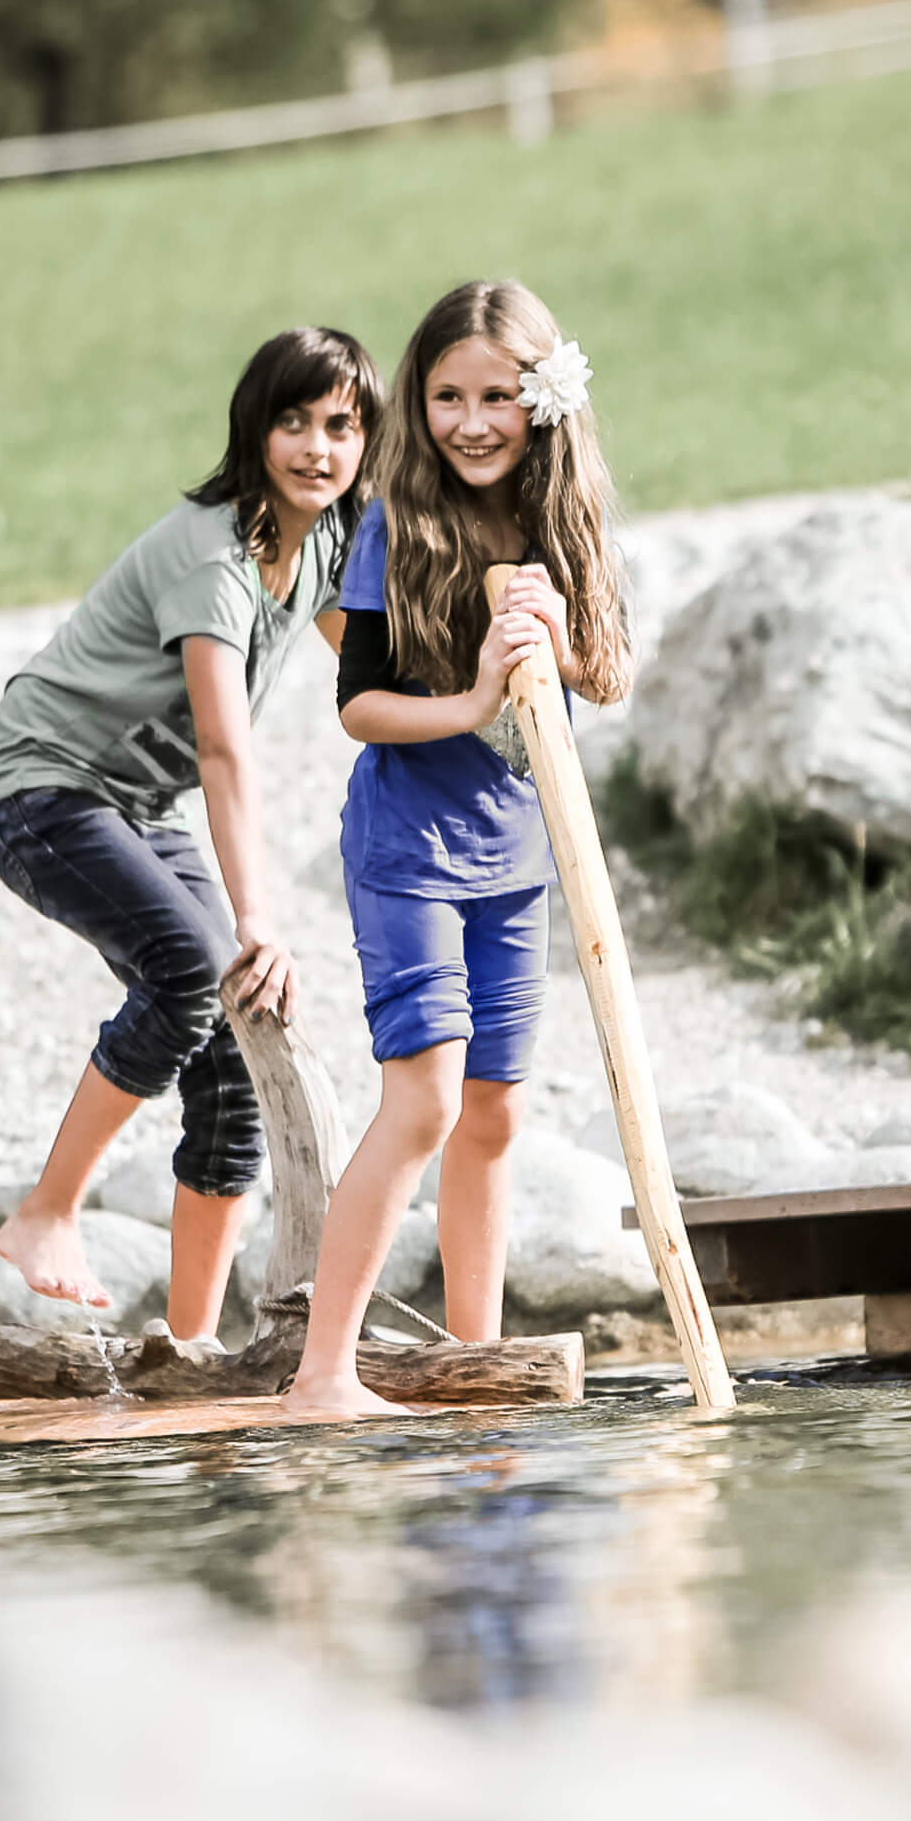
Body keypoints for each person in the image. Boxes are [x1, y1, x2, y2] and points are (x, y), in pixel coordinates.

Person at [0, 327, 381, 1341]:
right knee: (196, 970)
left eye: (341, 426)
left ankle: (189, 1351)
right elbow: (223, 748)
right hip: (40, 788)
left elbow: (368, 669)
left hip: (131, 807)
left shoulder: (325, 539)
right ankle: (47, 1212)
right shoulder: (215, 556)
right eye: (293, 422)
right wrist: (258, 920)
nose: (317, 448)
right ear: (253, 429)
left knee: (237, 1051)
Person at [291, 280, 633, 1420]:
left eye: (497, 396)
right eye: (447, 397)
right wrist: (478, 689)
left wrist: (562, 641)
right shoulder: (393, 522)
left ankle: (475, 1363)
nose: (473, 422)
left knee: (495, 1110)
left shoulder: (560, 516)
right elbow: (358, 706)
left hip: (522, 852)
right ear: (418, 402)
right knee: (427, 1101)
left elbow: (610, 674)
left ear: (541, 401)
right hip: (408, 848)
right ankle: (322, 1374)